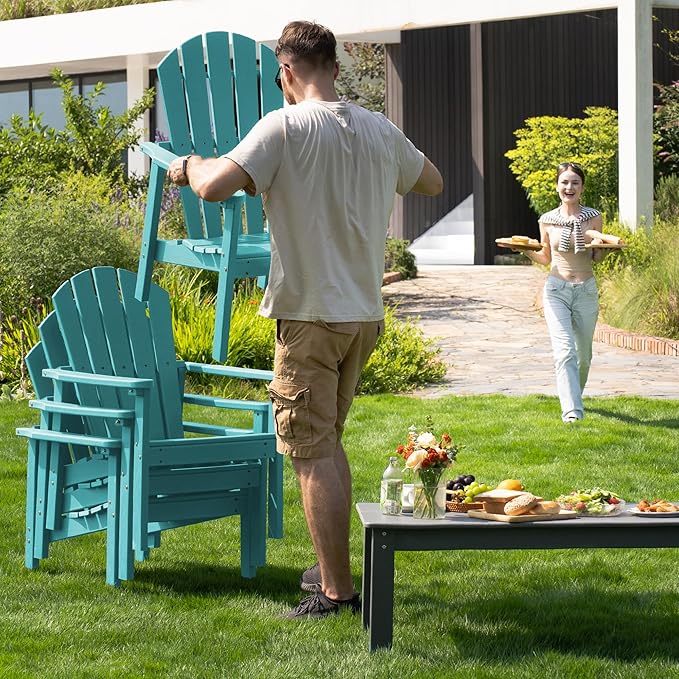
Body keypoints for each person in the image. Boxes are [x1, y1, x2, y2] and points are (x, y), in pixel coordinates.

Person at [167, 21, 443, 618]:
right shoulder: (378, 128)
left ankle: (336, 592)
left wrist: (188, 163)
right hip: (362, 314)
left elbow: (213, 186)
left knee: (309, 451)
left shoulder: (283, 126)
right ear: (336, 68)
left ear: (286, 72)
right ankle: (331, 568)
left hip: (311, 315)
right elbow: (432, 179)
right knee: (327, 441)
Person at [521, 161, 620, 423]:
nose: (569, 187)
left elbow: (596, 257)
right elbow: (545, 257)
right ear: (557, 186)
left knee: (583, 356)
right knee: (564, 352)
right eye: (564, 182)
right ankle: (572, 412)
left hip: (586, 290)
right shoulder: (547, 220)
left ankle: (574, 395)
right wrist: (524, 250)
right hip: (556, 290)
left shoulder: (593, 217)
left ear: (582, 187)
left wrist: (607, 249)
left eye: (575, 182)